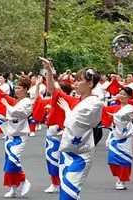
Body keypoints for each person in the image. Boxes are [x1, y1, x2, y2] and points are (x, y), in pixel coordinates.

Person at [41, 57, 103, 200]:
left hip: (81, 153)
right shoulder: (75, 100)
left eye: (79, 80)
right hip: (67, 152)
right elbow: (52, 90)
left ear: (89, 83)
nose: (75, 84)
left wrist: (67, 110)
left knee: (68, 194)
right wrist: (49, 71)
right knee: (67, 192)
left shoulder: (94, 103)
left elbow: (73, 120)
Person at [0, 74, 32, 198]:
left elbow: (17, 113)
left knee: (13, 160)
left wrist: (6, 106)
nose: (16, 90)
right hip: (10, 136)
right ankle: (13, 188)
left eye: (19, 88)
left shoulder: (27, 102)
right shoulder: (15, 101)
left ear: (26, 89)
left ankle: (24, 180)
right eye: (15, 88)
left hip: (20, 137)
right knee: (8, 163)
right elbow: (1, 93)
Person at [105, 87, 133, 190]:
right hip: (115, 135)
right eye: (120, 94)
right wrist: (109, 137)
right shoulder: (116, 107)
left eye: (124, 94)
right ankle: (118, 176)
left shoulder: (131, 107)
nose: (122, 96)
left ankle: (122, 180)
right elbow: (112, 123)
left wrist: (114, 114)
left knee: (124, 159)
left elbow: (121, 115)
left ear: (129, 96)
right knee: (112, 158)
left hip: (126, 136)